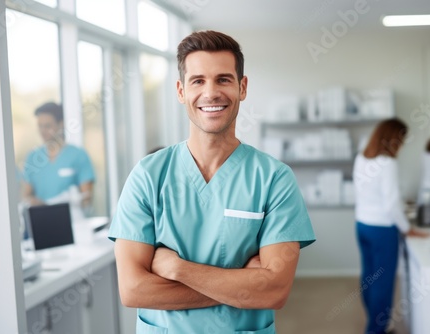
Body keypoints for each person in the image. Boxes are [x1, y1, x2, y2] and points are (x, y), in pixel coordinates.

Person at [108, 30, 316, 333]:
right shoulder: (147, 176)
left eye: (223, 79)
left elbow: (274, 291)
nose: (211, 93)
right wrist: (242, 285)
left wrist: (177, 269)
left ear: (242, 87)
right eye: (198, 81)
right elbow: (134, 290)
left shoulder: (273, 178)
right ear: (181, 91)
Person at [353, 118, 428, 334]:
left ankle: (374, 325)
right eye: (401, 139)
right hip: (383, 230)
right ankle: (375, 330)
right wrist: (407, 229)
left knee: (368, 278)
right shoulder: (387, 163)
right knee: (383, 284)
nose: (402, 144)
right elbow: (392, 205)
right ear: (393, 139)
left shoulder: (362, 158)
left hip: (362, 225)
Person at [22, 102, 95, 218]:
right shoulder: (33, 157)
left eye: (47, 126)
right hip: (42, 222)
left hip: (73, 223)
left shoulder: (78, 155)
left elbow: (87, 198)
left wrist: (71, 201)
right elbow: (26, 195)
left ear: (61, 124)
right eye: (40, 126)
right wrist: (35, 202)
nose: (43, 131)